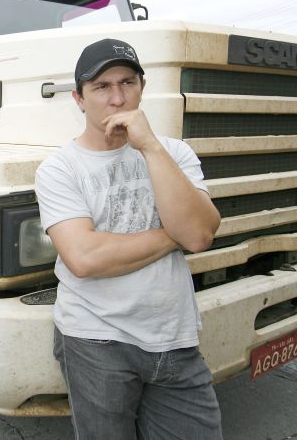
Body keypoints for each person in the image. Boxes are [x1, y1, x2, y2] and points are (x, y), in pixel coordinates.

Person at [35, 38, 223, 439]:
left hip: (175, 337)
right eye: (101, 87)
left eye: (127, 82)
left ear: (142, 87)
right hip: (95, 340)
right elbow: (84, 258)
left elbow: (201, 234)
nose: (117, 98)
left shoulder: (174, 152)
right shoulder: (59, 169)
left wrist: (150, 147)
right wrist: (173, 235)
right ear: (79, 98)